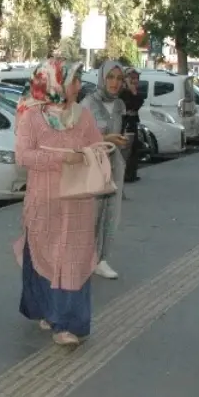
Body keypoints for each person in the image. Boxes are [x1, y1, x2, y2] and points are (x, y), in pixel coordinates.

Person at [13, 59, 102, 346]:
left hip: (78, 202)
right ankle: (45, 310)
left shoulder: (84, 116)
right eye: (73, 80)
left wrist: (90, 153)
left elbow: (97, 147)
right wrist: (62, 157)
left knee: (72, 261)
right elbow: (23, 156)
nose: (78, 85)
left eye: (78, 79)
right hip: (44, 201)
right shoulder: (32, 117)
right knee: (43, 257)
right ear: (55, 84)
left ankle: (66, 323)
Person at [83, 61, 130, 280]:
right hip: (93, 165)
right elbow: (80, 139)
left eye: (119, 79)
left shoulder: (120, 104)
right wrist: (105, 139)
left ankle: (102, 259)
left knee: (112, 213)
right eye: (110, 77)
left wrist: (121, 142)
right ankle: (86, 258)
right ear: (102, 77)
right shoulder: (88, 103)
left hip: (114, 163)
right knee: (92, 214)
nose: (114, 83)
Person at [120, 67, 144, 183]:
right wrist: (131, 90)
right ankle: (125, 174)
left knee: (135, 147)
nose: (135, 81)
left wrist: (134, 92)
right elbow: (128, 106)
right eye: (132, 78)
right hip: (125, 122)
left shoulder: (136, 92)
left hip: (133, 121)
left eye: (136, 78)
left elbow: (138, 103)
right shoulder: (122, 92)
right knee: (126, 147)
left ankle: (131, 174)